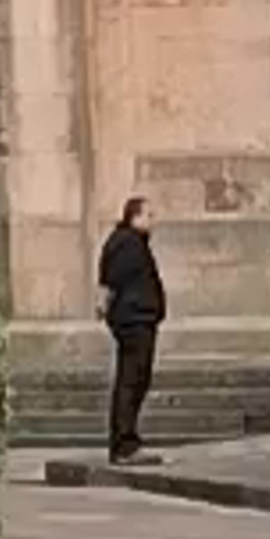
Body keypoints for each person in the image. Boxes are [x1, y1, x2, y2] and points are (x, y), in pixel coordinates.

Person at [96, 196, 167, 466]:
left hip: (137, 317)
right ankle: (124, 444)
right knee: (132, 380)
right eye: (149, 215)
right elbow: (113, 280)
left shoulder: (128, 242)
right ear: (134, 217)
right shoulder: (128, 243)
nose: (153, 221)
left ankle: (125, 442)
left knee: (136, 379)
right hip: (134, 319)